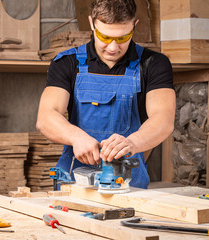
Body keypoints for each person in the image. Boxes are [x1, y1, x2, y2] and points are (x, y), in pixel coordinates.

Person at [36, 0, 175, 189]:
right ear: (92, 23)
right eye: (105, 37)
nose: (112, 47)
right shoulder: (67, 63)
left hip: (127, 184)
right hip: (74, 184)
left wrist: (131, 143)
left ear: (135, 25)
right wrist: (76, 137)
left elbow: (163, 120)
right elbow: (46, 117)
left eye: (122, 38)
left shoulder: (153, 64)